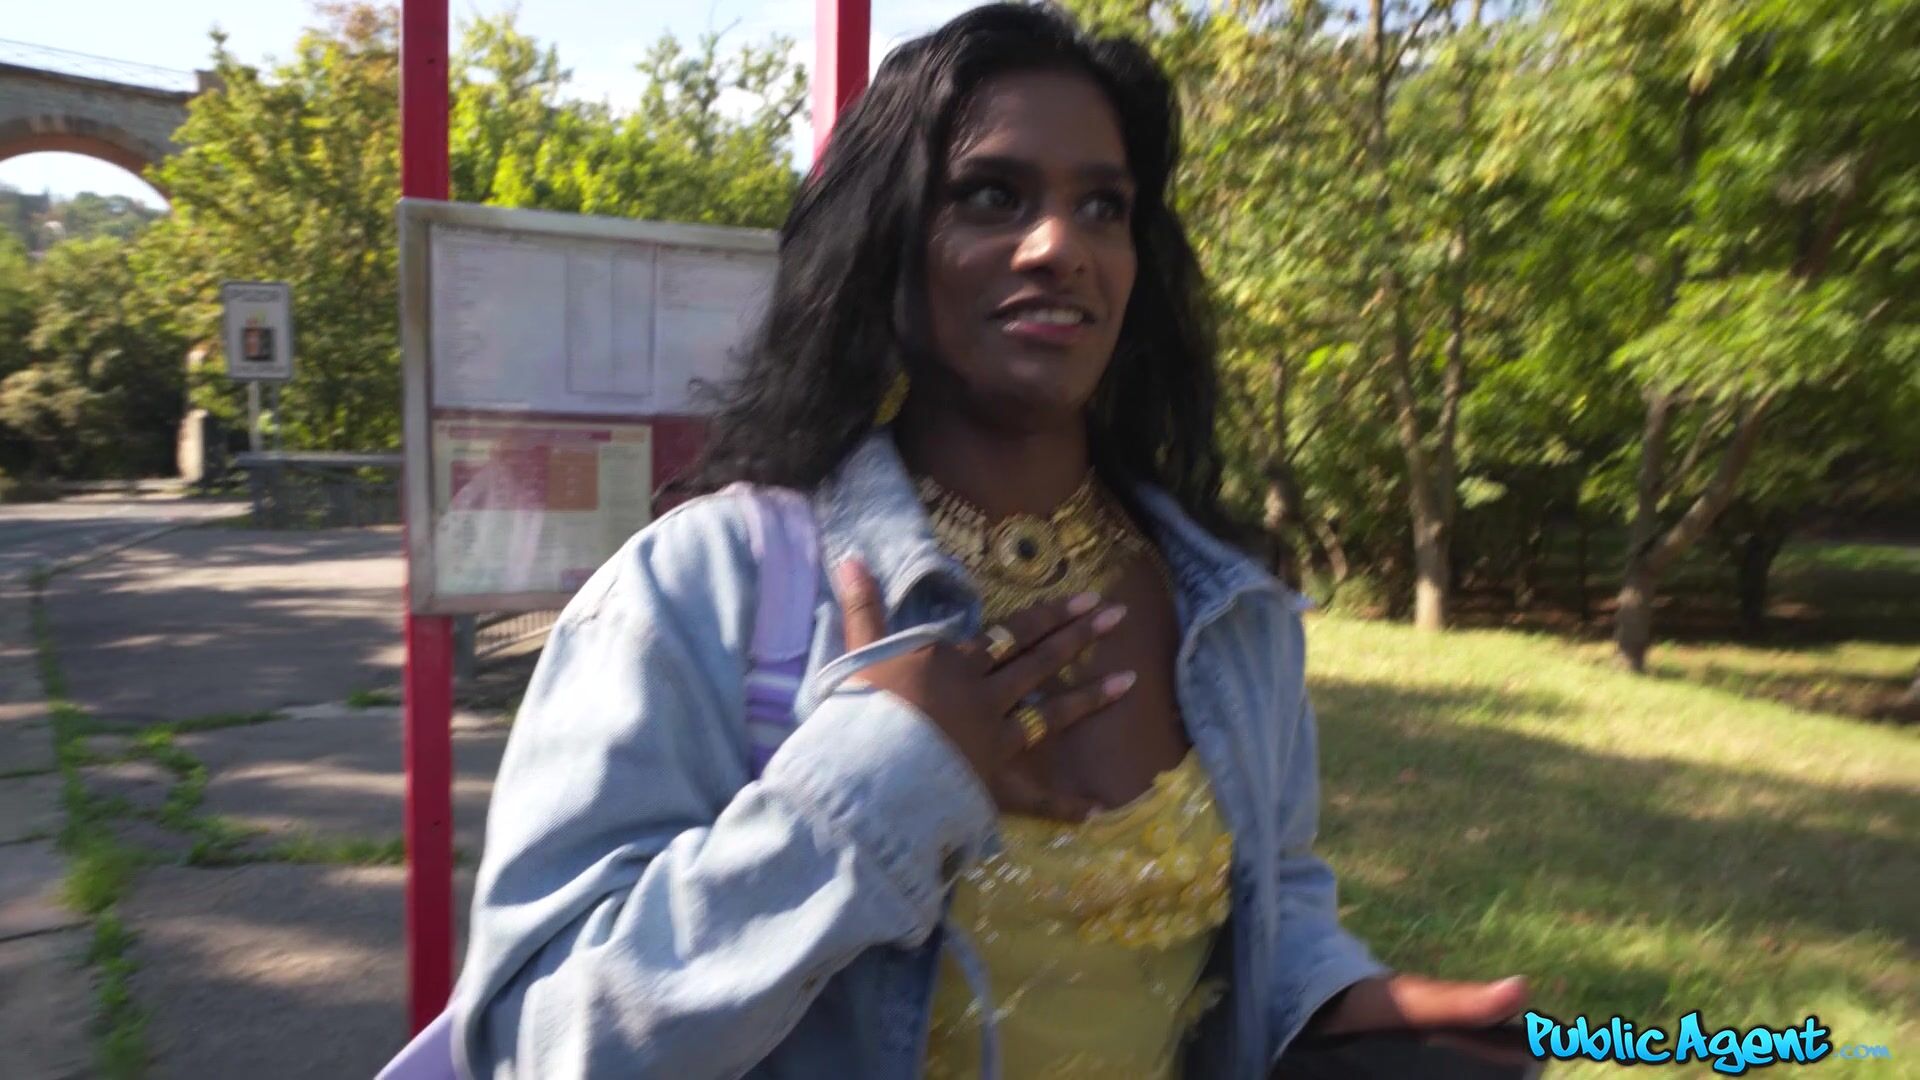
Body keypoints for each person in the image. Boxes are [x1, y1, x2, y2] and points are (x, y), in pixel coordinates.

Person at [448, 4, 1530, 1077]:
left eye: (1102, 206)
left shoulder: (1231, 609)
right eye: (991, 195)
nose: (1060, 246)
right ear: (888, 242)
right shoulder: (701, 590)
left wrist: (1331, 999)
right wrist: (873, 783)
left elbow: (1271, 902)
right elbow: (537, 1044)